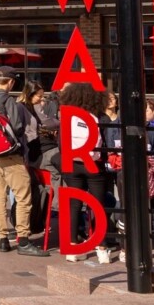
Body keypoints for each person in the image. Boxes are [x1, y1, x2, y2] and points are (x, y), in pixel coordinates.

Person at [0, 67, 47, 257]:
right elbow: (18, 127)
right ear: (11, 82)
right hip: (12, 155)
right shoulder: (8, 101)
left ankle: (3, 239)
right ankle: (23, 240)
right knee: (23, 196)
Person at [58, 82, 116, 262]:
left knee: (74, 205)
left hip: (72, 164)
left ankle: (72, 247)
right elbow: (108, 144)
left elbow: (61, 144)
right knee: (98, 206)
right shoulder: (101, 118)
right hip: (94, 165)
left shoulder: (67, 117)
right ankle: (102, 247)